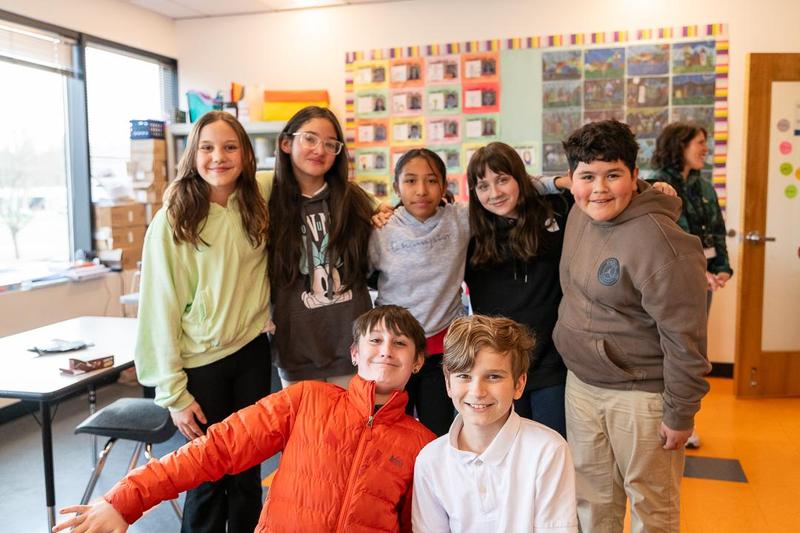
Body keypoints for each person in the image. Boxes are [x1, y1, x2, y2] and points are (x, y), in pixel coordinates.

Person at [52, 306, 436, 533]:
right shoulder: (309, 399)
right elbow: (214, 449)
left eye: (400, 343)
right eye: (375, 340)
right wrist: (124, 501)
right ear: (355, 353)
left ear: (418, 361)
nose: (386, 351)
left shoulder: (422, 445)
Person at [556, 119, 711, 533]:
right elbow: (540, 181)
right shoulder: (579, 209)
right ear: (572, 179)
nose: (600, 189)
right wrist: (569, 179)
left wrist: (681, 413)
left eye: (613, 175)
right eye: (587, 176)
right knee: (592, 501)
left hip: (640, 396)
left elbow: (686, 340)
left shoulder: (663, 242)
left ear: (635, 176)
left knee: (651, 509)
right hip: (583, 386)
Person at [131, 111, 271, 533]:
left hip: (251, 352)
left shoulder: (258, 198)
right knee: (208, 478)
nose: (218, 157)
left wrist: (375, 208)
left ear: (246, 154)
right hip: (201, 365)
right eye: (207, 148)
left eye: (230, 147)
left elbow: (317, 179)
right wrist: (172, 392)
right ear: (193, 154)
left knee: (247, 474)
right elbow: (158, 308)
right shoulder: (174, 219)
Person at [369, 149, 562, 436]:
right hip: (394, 350)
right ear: (397, 186)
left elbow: (508, 189)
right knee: (385, 432)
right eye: (410, 181)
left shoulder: (461, 218)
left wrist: (561, 182)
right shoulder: (381, 231)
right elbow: (363, 277)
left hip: (441, 349)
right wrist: (376, 211)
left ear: (444, 185)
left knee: (442, 433)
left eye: (431, 181)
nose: (421, 190)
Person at [412, 315, 578, 532]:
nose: (477, 392)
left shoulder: (548, 450)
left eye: (493, 377)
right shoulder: (430, 460)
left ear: (519, 384)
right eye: (464, 376)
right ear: (448, 383)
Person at [268, 106, 387, 389]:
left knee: (352, 431)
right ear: (286, 143)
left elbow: (386, 218)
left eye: (330, 144)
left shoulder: (353, 199)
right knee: (306, 432)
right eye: (310, 139)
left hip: (352, 348)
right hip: (296, 351)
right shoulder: (268, 203)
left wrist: (385, 214)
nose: (319, 150)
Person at [465, 142, 571, 438]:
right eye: (483, 185)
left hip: (552, 363)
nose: (494, 193)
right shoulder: (470, 234)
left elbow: (594, 186)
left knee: (552, 449)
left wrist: (558, 181)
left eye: (502, 180)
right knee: (509, 454)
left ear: (519, 179)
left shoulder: (555, 213)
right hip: (500, 367)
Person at [649, 122, 731, 449]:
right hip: (674, 282)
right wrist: (698, 273)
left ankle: (686, 419)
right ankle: (666, 418)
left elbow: (716, 233)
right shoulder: (657, 185)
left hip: (704, 282)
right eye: (700, 142)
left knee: (692, 350)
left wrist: (721, 268)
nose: (705, 149)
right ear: (679, 144)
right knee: (668, 350)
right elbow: (670, 239)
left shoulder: (705, 188)